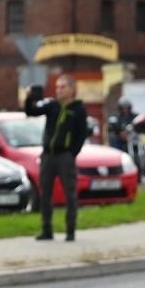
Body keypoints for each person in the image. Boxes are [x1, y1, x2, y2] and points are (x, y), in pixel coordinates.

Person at [24, 75, 88, 243]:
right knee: (45, 193)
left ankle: (70, 230)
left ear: (72, 89)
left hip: (65, 156)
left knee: (70, 194)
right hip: (48, 155)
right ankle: (47, 230)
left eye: (63, 87)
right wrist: (29, 97)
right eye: (58, 87)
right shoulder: (52, 106)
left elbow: (81, 134)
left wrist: (72, 153)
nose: (59, 90)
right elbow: (32, 111)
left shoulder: (78, 109)